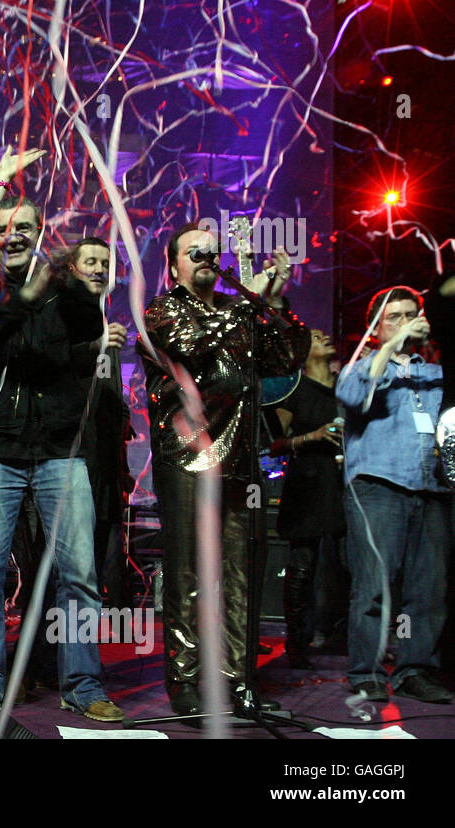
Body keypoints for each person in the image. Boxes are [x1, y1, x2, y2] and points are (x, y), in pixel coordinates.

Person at [0, 143, 123, 722]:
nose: (15, 234)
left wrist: (56, 274)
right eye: (5, 228)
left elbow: (86, 317)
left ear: (40, 232)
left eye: (26, 226)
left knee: (79, 575)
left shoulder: (61, 286)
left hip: (57, 451)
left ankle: (84, 684)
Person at [138, 223, 308, 714]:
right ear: (173, 266)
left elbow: (290, 355)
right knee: (190, 571)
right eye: (194, 253)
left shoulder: (242, 314)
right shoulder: (162, 310)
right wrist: (250, 300)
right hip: (187, 455)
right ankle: (186, 681)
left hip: (238, 459)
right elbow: (193, 349)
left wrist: (275, 302)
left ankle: (238, 680)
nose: (206, 258)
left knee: (239, 575)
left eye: (211, 252)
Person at [336, 286, 451, 703]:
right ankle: (366, 671)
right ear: (376, 328)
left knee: (429, 588)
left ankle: (416, 669)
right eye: (394, 318)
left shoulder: (435, 372)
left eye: (410, 315)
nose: (404, 323)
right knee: (374, 586)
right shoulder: (362, 366)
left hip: (431, 487)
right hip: (379, 486)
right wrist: (394, 347)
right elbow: (353, 396)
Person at [59, 238, 133, 607]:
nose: (100, 269)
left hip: (102, 462)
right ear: (72, 267)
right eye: (91, 261)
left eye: (105, 263)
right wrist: (95, 346)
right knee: (72, 560)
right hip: (69, 458)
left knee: (103, 548)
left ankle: (89, 652)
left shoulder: (106, 319)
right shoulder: (60, 313)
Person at [267, 329, 346, 670]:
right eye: (316, 337)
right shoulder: (294, 388)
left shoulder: (348, 387)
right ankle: (298, 641)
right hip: (309, 481)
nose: (325, 337)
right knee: (302, 566)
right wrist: (312, 436)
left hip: (345, 482)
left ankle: (344, 635)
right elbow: (274, 444)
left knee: (349, 564)